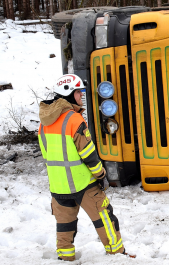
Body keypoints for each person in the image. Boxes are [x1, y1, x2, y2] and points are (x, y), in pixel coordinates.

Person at [38, 74, 129, 261]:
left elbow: (48, 155)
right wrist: (100, 174)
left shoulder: (44, 123)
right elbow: (88, 154)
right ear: (69, 94)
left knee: (65, 226)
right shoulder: (73, 119)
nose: (81, 96)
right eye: (78, 92)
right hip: (82, 183)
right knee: (105, 217)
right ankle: (118, 256)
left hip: (58, 186)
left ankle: (65, 258)